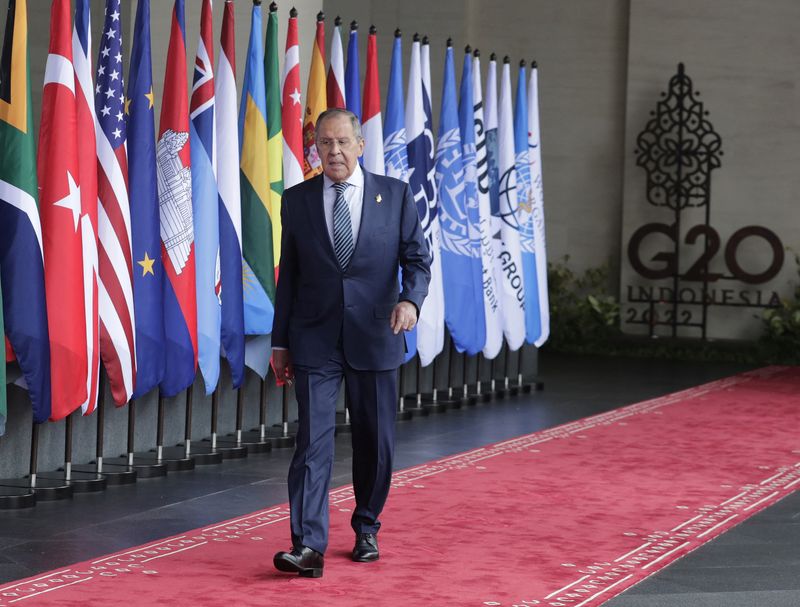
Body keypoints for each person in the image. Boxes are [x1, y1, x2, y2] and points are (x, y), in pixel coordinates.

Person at [271, 108, 431, 578]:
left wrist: (411, 302)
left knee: (375, 441)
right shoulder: (297, 200)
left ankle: (366, 526)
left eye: (342, 142)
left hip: (377, 334)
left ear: (361, 145)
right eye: (324, 144)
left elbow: (417, 261)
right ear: (315, 148)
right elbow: (290, 277)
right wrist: (281, 342)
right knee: (312, 443)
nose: (334, 152)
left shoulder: (395, 196)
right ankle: (308, 546)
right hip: (315, 338)